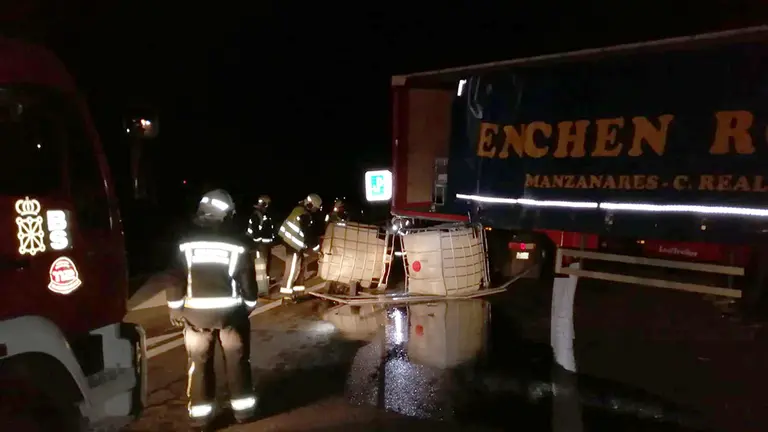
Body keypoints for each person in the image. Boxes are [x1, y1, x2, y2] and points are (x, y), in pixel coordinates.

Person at [166, 189, 258, 429]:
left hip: (195, 317)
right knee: (238, 361)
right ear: (226, 215)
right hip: (231, 316)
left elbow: (175, 278)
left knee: (199, 364)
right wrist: (248, 306)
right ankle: (243, 412)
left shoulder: (184, 243)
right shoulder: (237, 245)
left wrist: (175, 308)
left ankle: (201, 416)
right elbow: (248, 283)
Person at [278, 193, 322, 298]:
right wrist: (316, 247)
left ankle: (297, 291)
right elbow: (308, 233)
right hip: (293, 245)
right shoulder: (304, 215)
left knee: (298, 267)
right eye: (315, 208)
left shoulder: (298, 210)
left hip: (290, 242)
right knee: (292, 269)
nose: (315, 210)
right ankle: (286, 294)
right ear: (310, 205)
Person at [247, 195, 275, 297]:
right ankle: (261, 290)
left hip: (265, 244)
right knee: (260, 268)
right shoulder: (257, 215)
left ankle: (264, 286)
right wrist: (258, 244)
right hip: (259, 245)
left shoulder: (264, 214)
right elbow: (255, 233)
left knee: (265, 266)